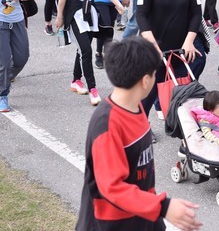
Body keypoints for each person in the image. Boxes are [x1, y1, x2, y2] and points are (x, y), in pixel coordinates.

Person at [75, 37, 203, 231]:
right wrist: (164, 207)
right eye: (154, 74)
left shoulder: (136, 106)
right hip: (110, 224)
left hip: (142, 215)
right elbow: (112, 187)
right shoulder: (107, 124)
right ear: (145, 81)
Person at [55, 0, 127, 106]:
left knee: (83, 49)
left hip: (90, 11)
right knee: (86, 50)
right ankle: (93, 89)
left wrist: (118, 4)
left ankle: (75, 80)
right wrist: (60, 16)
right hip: (74, 12)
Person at [136, 0, 202, 121]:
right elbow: (141, 15)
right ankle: (138, 128)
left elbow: (196, 14)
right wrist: (152, 45)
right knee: (147, 94)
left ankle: (185, 134)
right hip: (155, 49)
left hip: (180, 51)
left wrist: (189, 42)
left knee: (183, 94)